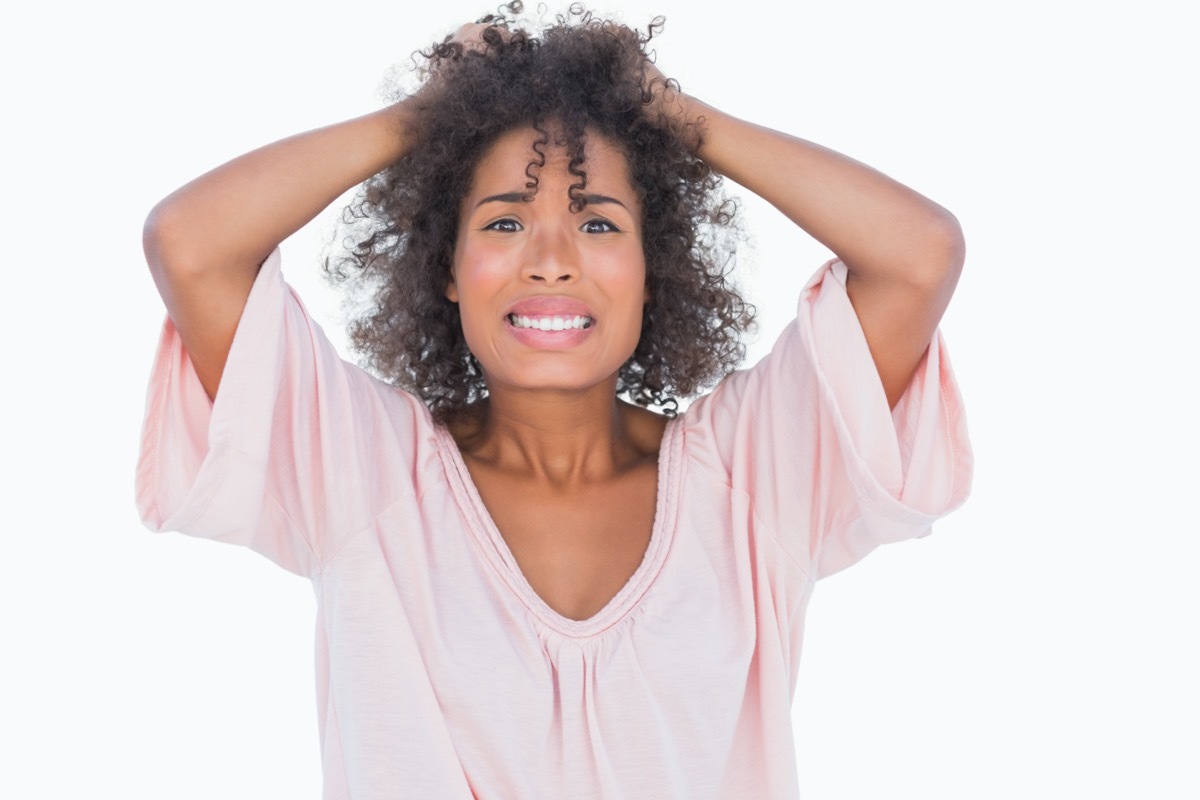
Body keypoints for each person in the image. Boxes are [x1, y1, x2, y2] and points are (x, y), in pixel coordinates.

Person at [137, 5, 971, 797]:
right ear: (447, 269)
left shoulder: (752, 480)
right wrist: (427, 116)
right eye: (502, 223)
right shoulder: (365, 474)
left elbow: (919, 256)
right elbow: (192, 244)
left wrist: (671, 113)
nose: (551, 259)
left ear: (655, 275)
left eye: (600, 224)